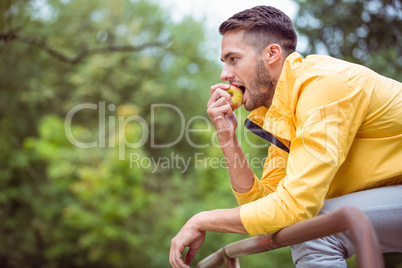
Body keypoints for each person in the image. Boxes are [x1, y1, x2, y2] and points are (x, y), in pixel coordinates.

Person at [170, 5, 402, 268]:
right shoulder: (286, 110)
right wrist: (227, 137)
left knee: (316, 228)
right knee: (312, 225)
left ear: (271, 54)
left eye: (233, 59)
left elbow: (294, 207)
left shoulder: (324, 85)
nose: (224, 74)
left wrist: (202, 220)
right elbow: (265, 206)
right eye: (223, 62)